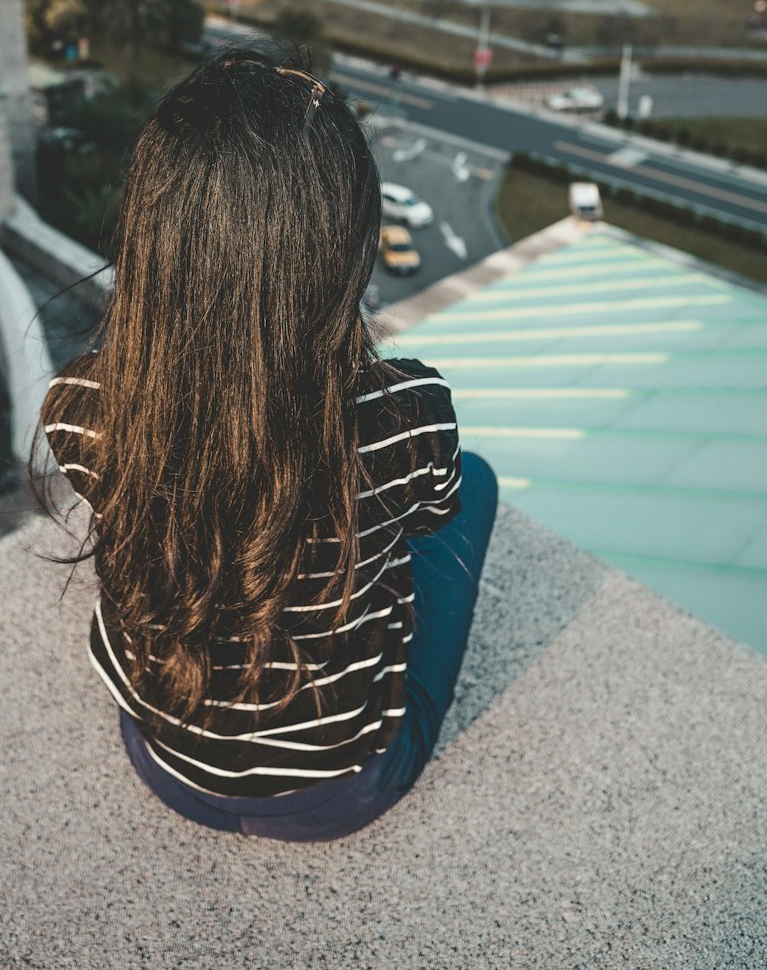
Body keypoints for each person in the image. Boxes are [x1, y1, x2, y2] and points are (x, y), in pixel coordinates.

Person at [37, 48, 497, 842]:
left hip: (162, 759)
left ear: (153, 241)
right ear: (345, 248)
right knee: (476, 485)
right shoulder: (408, 416)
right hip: (342, 789)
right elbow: (433, 517)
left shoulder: (82, 407)